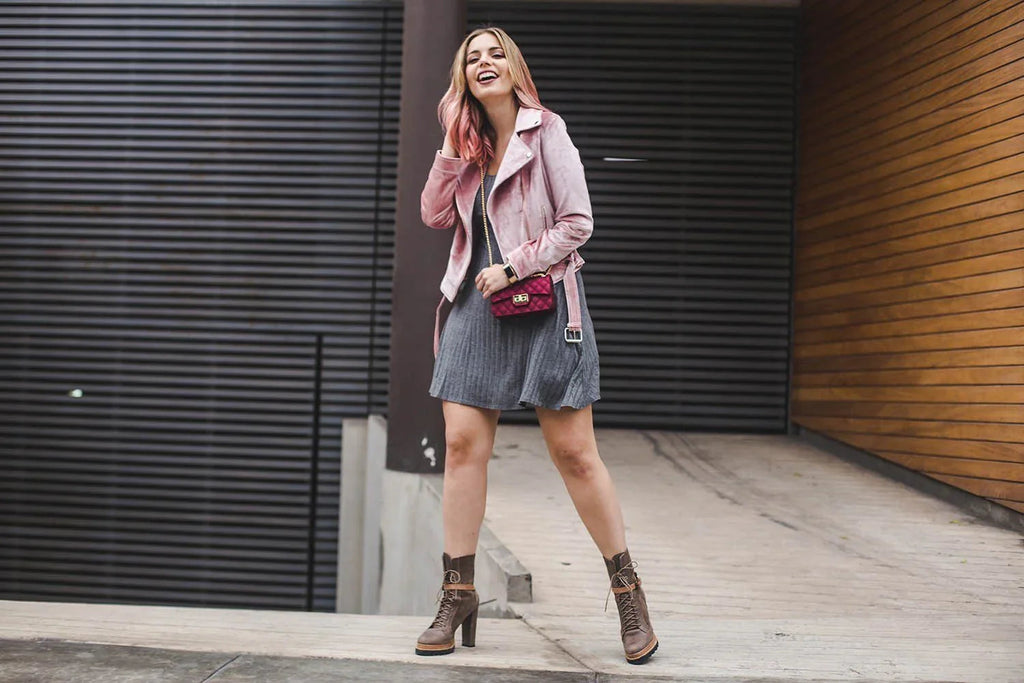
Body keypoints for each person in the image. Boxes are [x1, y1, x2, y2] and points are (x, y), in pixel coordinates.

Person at [414, 26, 658, 665]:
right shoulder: (465, 146)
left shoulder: (547, 131)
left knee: (575, 454)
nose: (485, 63)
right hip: (475, 309)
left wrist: (516, 264)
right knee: (464, 447)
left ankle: (628, 592)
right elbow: (434, 215)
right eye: (473, 58)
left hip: (548, 305)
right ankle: (457, 592)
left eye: (496, 54)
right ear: (462, 77)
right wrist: (448, 141)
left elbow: (578, 223)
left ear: (515, 68)